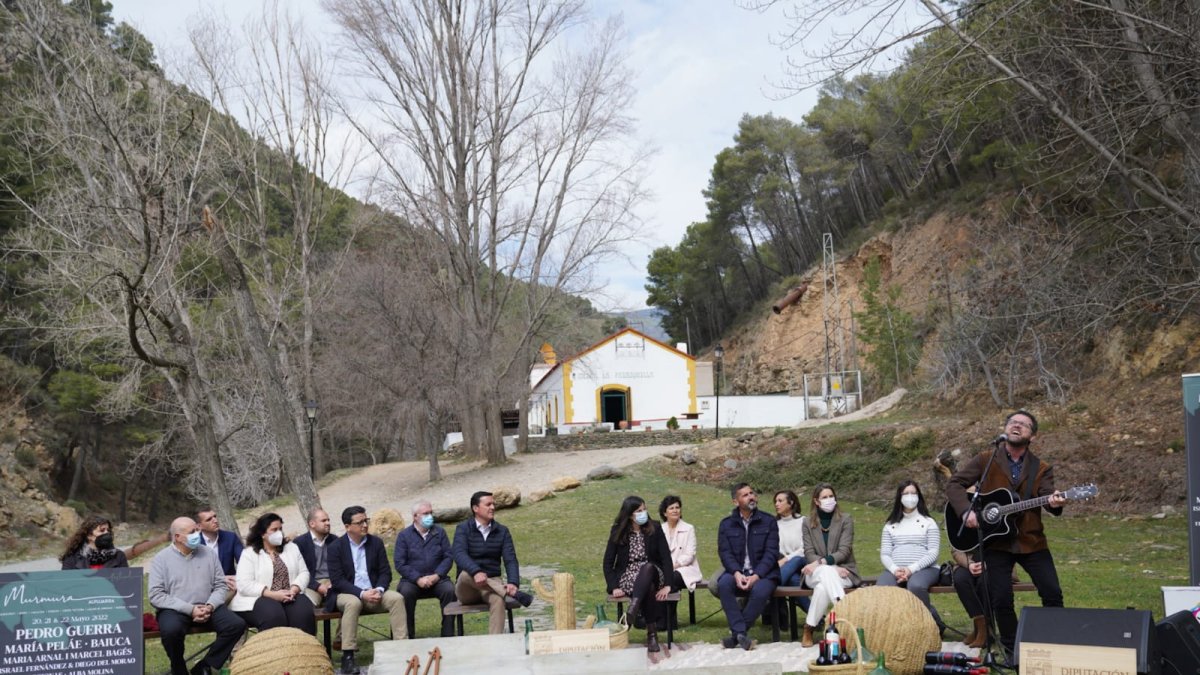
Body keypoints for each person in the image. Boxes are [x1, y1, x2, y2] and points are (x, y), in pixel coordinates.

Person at [946, 409, 1066, 662]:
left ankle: (1053, 644)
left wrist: (1055, 502)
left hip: (1031, 541)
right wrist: (966, 511)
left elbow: (1048, 495)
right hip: (996, 541)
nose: (1017, 426)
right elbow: (954, 484)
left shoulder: (1041, 468)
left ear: (1032, 436)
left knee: (1052, 591)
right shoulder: (986, 459)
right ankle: (1012, 652)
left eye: (1024, 425)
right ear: (1006, 429)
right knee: (1000, 597)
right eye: (1013, 422)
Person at [149, 516, 246, 675]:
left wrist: (210, 605)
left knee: (236, 625)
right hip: (176, 608)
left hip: (209, 605)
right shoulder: (161, 559)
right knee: (171, 630)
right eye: (192, 531)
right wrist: (190, 609)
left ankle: (204, 666)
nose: (197, 534)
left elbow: (220, 585)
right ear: (178, 537)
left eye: (197, 529)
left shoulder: (208, 553)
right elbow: (156, 595)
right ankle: (178, 668)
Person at [328, 506, 408, 675]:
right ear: (348, 526)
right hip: (348, 594)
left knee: (396, 598)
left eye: (366, 521)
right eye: (360, 522)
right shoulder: (336, 547)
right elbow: (338, 581)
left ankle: (402, 649)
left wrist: (378, 589)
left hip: (374, 592)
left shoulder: (375, 543)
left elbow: (385, 572)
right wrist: (362, 593)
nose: (365, 525)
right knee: (353, 603)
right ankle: (348, 657)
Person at [452, 491, 531, 635]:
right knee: (465, 574)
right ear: (475, 508)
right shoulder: (463, 529)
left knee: (498, 601)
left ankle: (495, 643)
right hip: (468, 586)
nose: (493, 507)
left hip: (491, 585)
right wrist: (476, 572)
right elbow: (458, 554)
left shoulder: (502, 531)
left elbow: (510, 559)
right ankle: (508, 592)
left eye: (493, 504)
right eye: (488, 504)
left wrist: (513, 582)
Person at [604, 496, 676, 653]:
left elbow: (666, 558)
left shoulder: (655, 527)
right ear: (630, 514)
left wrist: (668, 585)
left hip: (653, 571)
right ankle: (652, 635)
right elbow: (608, 562)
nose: (643, 513)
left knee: (648, 568)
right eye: (639, 511)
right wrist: (613, 586)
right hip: (629, 574)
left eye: (644, 509)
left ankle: (633, 607)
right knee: (648, 588)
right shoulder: (618, 531)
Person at [715, 483, 780, 651]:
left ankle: (736, 635)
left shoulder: (769, 521)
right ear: (735, 502)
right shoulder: (726, 524)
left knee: (760, 591)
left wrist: (757, 575)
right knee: (723, 584)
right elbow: (725, 553)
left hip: (765, 574)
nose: (751, 496)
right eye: (745, 495)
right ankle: (741, 634)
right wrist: (736, 573)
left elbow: (772, 553)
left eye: (752, 493)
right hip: (737, 571)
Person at [231, 512, 317, 635]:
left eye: (280, 529)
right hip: (260, 597)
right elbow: (244, 584)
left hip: (290, 594)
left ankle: (302, 651)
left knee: (303, 614)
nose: (279, 533)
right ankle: (275, 652)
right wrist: (271, 594)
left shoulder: (291, 548)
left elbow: (304, 573)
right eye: (274, 530)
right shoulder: (249, 553)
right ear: (262, 534)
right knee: (273, 616)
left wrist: (294, 588)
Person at [876, 480, 943, 630]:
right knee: (882, 588)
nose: (910, 497)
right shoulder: (890, 525)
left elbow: (933, 552)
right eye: (906, 493)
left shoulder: (929, 523)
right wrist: (895, 570)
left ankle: (930, 625)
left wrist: (911, 569)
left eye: (913, 493)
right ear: (899, 497)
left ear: (919, 496)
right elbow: (885, 554)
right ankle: (894, 628)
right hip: (896, 569)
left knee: (916, 586)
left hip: (925, 569)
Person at [800, 483, 860, 647]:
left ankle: (809, 627)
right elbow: (809, 552)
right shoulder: (807, 522)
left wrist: (822, 563)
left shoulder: (845, 520)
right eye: (824, 497)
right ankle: (846, 615)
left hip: (844, 572)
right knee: (826, 573)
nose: (829, 500)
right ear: (816, 501)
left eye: (831, 496)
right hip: (815, 573)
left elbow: (844, 551)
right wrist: (830, 567)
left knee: (822, 588)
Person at [394, 500, 456, 638]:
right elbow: (400, 563)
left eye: (431, 513)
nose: (430, 516)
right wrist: (417, 578)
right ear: (415, 516)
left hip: (437, 579)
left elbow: (448, 557)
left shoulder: (439, 532)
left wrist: (437, 575)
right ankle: (408, 637)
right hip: (412, 581)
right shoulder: (404, 536)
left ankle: (448, 635)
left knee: (449, 591)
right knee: (405, 593)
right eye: (425, 513)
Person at [660, 495, 702, 626]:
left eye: (677, 507)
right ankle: (659, 619)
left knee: (671, 578)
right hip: (664, 569)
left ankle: (667, 621)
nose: (675, 510)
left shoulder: (689, 528)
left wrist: (673, 565)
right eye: (671, 508)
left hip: (685, 569)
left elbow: (690, 554)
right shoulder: (660, 529)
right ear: (664, 513)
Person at [293, 508, 339, 611]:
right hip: (310, 584)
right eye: (323, 521)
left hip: (334, 583)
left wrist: (334, 583)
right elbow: (298, 571)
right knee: (305, 608)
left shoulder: (335, 540)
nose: (328, 523)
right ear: (312, 524)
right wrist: (317, 586)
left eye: (328, 520)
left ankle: (342, 628)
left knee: (348, 602)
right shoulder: (299, 543)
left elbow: (343, 567)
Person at [773, 490, 811, 614]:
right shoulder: (775, 524)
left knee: (796, 560)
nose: (776, 504)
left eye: (780, 501)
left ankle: (772, 586)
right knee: (793, 580)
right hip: (783, 566)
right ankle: (818, 618)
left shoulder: (804, 521)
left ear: (791, 503)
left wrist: (785, 560)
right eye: (775, 501)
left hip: (801, 561)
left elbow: (804, 549)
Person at [196, 506, 243, 596]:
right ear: (199, 526)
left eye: (215, 516)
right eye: (209, 519)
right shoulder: (195, 544)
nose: (215, 520)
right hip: (205, 589)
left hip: (231, 586)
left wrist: (238, 578)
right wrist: (220, 579)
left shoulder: (230, 537)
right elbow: (194, 574)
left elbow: (244, 562)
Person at [950, 546, 988, 648]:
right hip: (967, 561)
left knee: (984, 582)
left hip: (992, 560)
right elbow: (955, 550)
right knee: (960, 580)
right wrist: (969, 564)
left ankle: (986, 630)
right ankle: (980, 626)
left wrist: (987, 564)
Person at [60, 516, 129, 569]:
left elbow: (126, 583)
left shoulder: (119, 556)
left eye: (108, 530)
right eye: (102, 530)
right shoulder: (72, 559)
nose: (107, 533)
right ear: (89, 535)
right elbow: (66, 584)